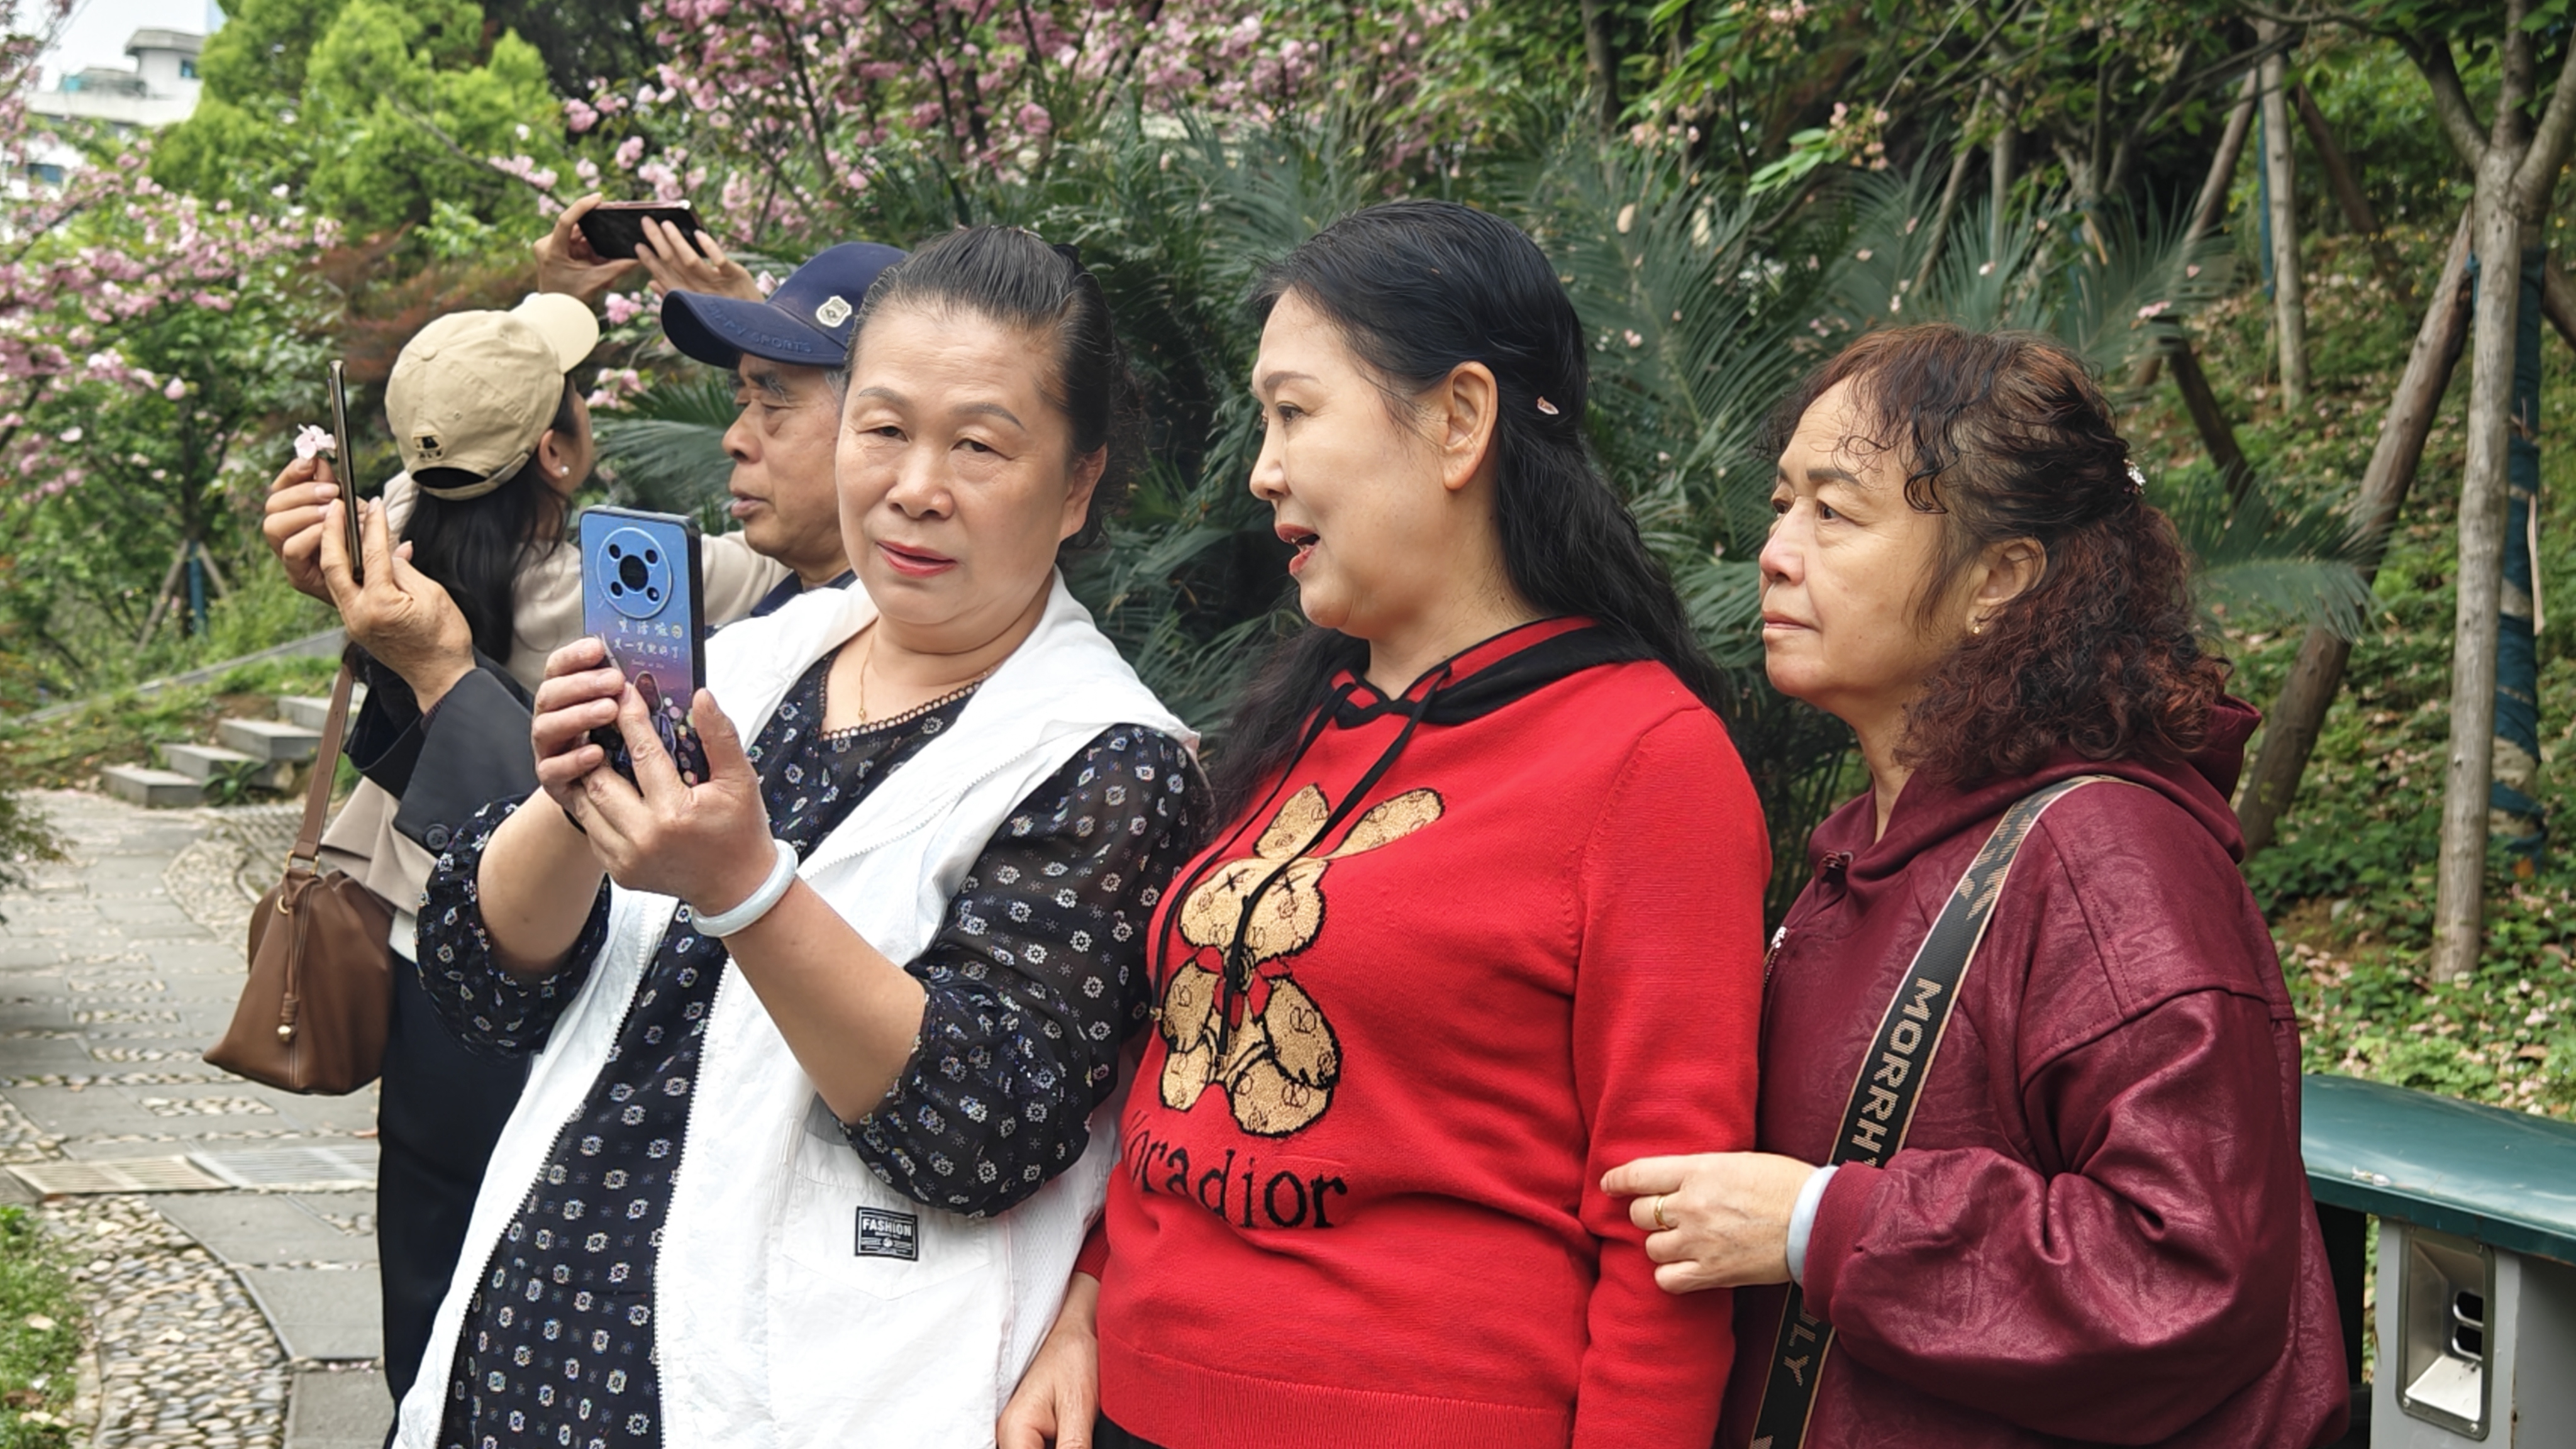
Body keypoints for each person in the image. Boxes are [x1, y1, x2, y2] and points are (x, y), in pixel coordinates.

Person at [392, 226, 1209, 1446]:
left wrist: (744, 891)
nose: (916, 486)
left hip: (792, 1400)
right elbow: (481, 985)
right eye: (882, 429)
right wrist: (567, 799)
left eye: (979, 445)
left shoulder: (1106, 758)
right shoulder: (757, 658)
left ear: (1078, 483)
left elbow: (980, 1127)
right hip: (510, 1371)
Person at [1002, 199, 1770, 1449]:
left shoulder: (1648, 760)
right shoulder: (1306, 720)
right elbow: (1176, 1076)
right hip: (1132, 1406)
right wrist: (1087, 1302)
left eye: (1295, 412)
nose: (1262, 468)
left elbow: (1665, 1227)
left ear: (1460, 419)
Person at [1603, 324, 2350, 1447]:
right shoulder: (1875, 848)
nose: (1775, 551)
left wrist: (1818, 1224)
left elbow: (2188, 1270)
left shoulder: (2107, 859)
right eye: (1782, 504)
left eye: (1834, 513)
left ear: (1999, 581)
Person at [255, 291, 784, 1415]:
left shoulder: (388, 540)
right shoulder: (644, 583)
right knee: (544, 1241)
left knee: (428, 1230)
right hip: (560, 958)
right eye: (571, 399)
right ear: (556, 449)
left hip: (417, 943)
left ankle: (419, 1413)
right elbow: (801, 560)